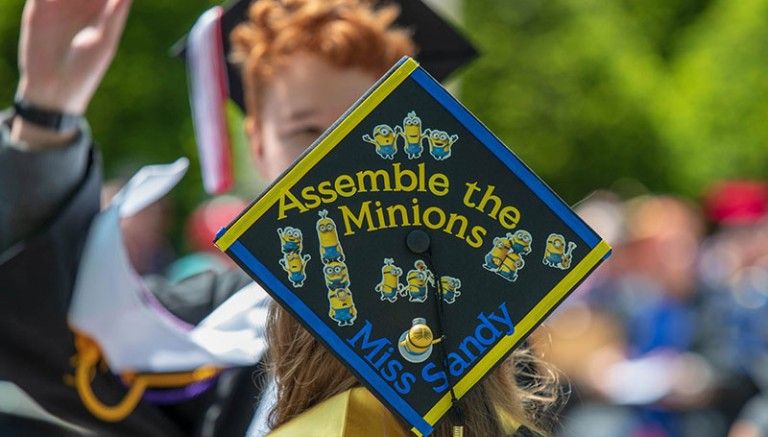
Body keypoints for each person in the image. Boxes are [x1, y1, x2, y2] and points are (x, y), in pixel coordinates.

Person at [0, 0, 560, 435]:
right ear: (258, 144)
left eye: (364, 126)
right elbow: (38, 327)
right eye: (307, 131)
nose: (338, 158)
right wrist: (46, 115)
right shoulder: (209, 331)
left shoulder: (480, 329)